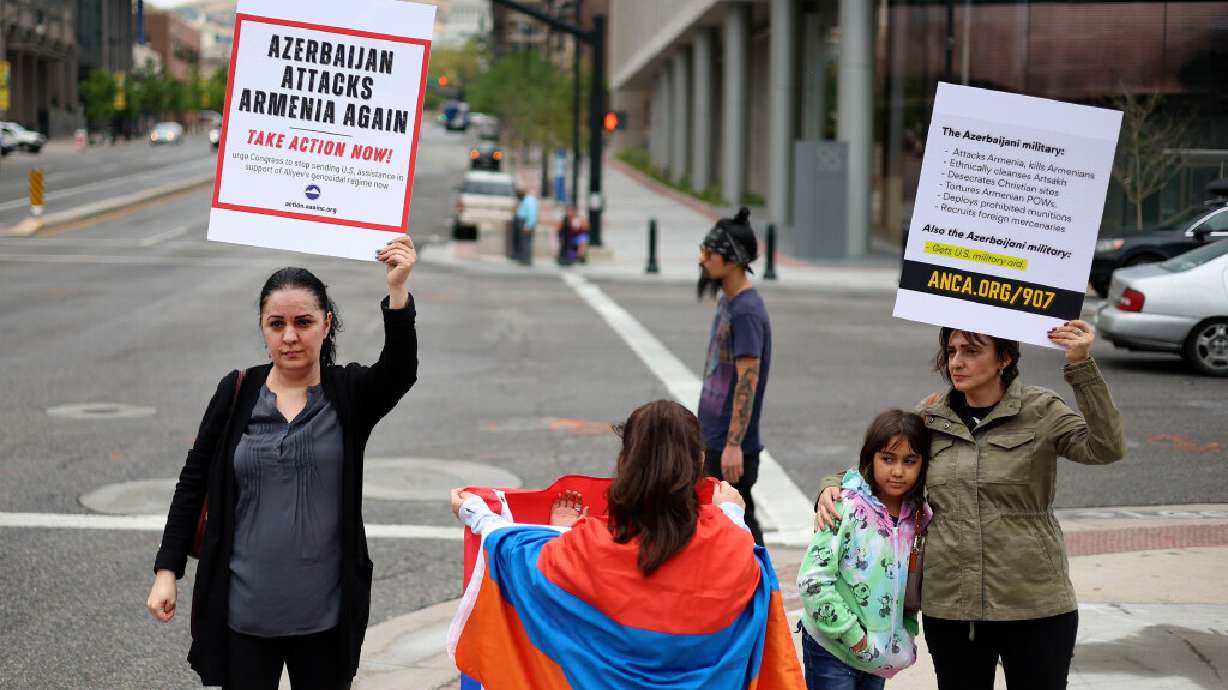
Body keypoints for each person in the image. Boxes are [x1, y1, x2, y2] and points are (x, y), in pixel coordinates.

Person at [146, 236, 420, 690]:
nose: (290, 336)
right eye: (277, 324)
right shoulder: (236, 392)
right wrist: (166, 571)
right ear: (262, 328)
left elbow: (400, 370)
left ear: (326, 324)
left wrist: (398, 290)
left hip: (326, 620)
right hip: (244, 614)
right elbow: (192, 482)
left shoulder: (348, 395)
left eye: (303, 322)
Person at [815, 322, 1125, 690]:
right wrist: (831, 487)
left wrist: (1080, 366)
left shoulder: (1042, 410)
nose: (957, 362)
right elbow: (880, 470)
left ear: (1004, 359)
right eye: (951, 351)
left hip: (1034, 601)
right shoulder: (930, 417)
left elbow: (1105, 447)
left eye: (972, 351)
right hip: (952, 606)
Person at [448, 400, 804, 690]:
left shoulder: (585, 546)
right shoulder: (734, 547)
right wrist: (732, 513)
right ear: (697, 461)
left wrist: (480, 515)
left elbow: (513, 551)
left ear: (627, 463)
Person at [798, 410, 931, 690]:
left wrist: (904, 634)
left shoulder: (920, 517)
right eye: (887, 459)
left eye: (910, 461)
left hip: (878, 655)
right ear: (870, 457)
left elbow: (908, 588)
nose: (897, 471)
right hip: (832, 649)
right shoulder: (844, 507)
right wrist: (854, 637)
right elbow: (813, 582)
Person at [697, 207, 772, 545]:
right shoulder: (728, 302)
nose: (702, 259)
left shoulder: (746, 311)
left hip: (730, 445)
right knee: (724, 525)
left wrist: (732, 445)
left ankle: (764, 587)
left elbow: (747, 380)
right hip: (713, 437)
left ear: (733, 258)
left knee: (740, 530)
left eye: (710, 252)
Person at [514, 188, 538, 265]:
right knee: (523, 242)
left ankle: (526, 260)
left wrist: (528, 225)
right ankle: (523, 259)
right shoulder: (526, 200)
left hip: (526, 223)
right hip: (523, 222)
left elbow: (532, 214)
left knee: (526, 243)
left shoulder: (530, 201)